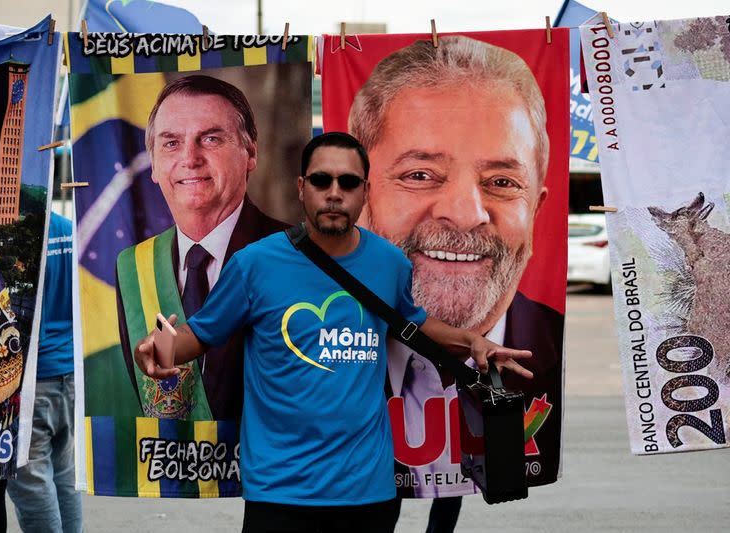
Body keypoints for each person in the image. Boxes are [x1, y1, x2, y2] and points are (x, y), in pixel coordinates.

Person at [134, 132, 533, 533]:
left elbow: (412, 323)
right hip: (279, 492)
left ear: (366, 191)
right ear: (302, 188)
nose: (335, 193)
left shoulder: (389, 263)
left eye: (349, 182)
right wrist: (160, 350)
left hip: (368, 492)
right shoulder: (255, 264)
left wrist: (473, 342)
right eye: (322, 181)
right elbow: (201, 333)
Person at [348, 35, 564, 528]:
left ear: (537, 209)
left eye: (503, 182)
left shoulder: (549, 350)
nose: (466, 215)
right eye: (421, 174)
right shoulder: (324, 331)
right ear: (363, 193)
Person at [115, 74, 287, 421]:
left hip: (267, 469)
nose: (190, 159)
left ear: (251, 152)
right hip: (171, 468)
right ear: (153, 162)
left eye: (210, 139)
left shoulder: (294, 252)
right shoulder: (133, 266)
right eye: (171, 143)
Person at [5, 212, 82, 532]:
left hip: (32, 380)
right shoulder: (67, 229)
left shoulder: (11, 236)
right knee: (63, 474)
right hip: (69, 373)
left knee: (30, 482)